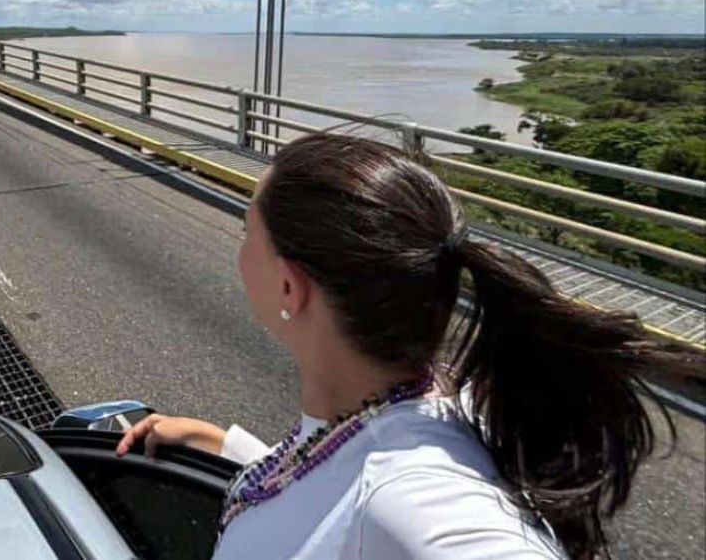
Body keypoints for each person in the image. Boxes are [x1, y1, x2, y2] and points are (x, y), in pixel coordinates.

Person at [116, 133, 700, 560]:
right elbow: (334, 503)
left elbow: (392, 508)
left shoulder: (412, 502)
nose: (240, 249)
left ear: (290, 285)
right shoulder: (420, 408)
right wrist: (220, 444)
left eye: (248, 232)